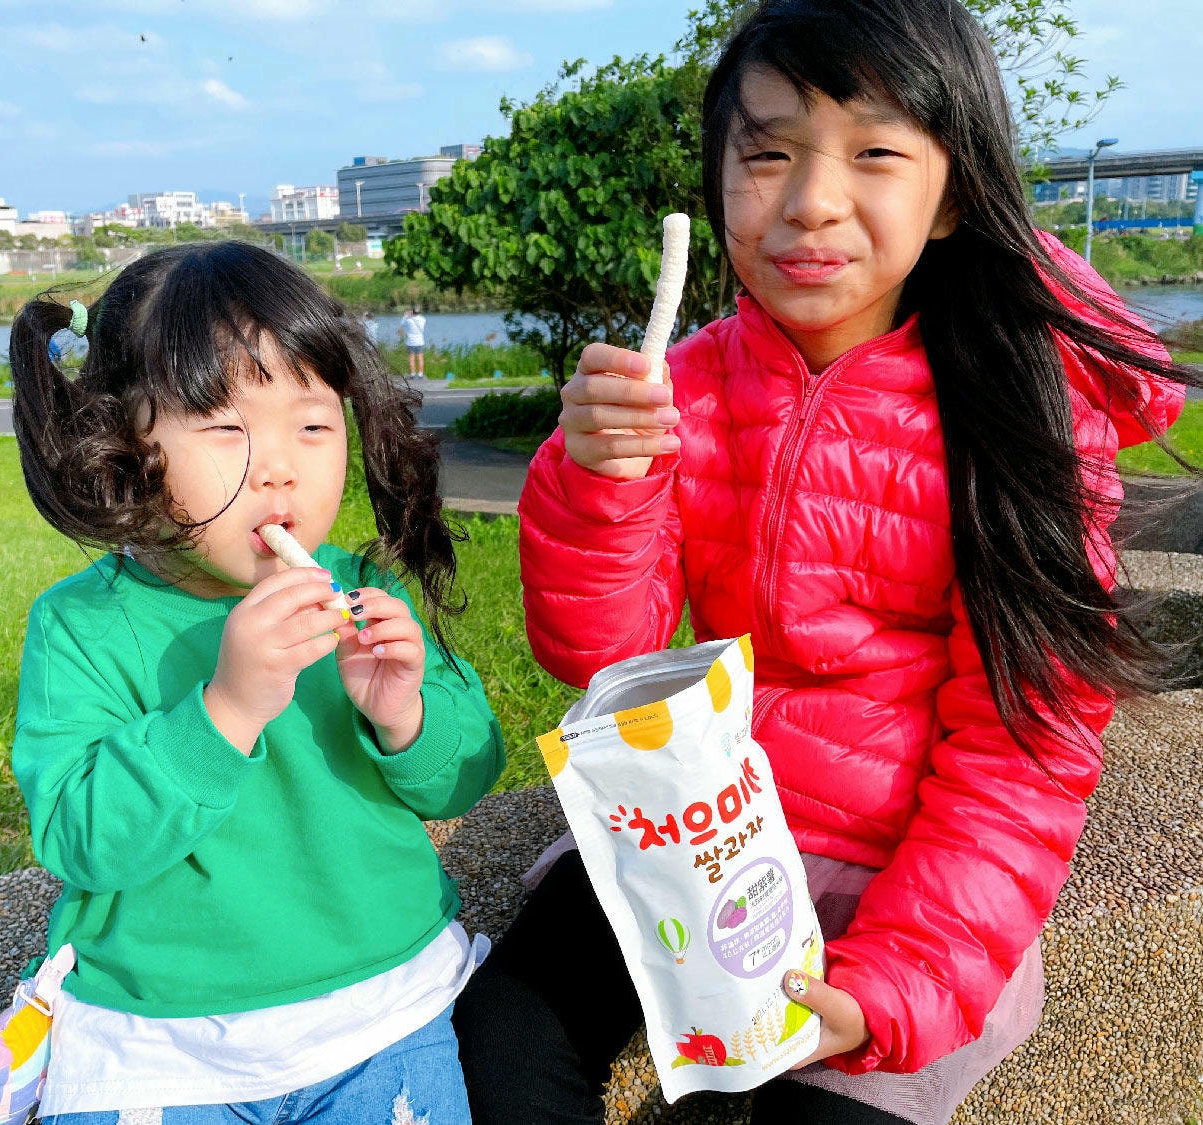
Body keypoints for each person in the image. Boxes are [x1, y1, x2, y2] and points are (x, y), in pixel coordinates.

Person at [455, 2, 1196, 1124]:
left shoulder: (1020, 411)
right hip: (697, 828)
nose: (810, 203)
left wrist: (896, 980)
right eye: (766, 153)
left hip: (909, 874)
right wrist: (601, 484)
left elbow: (1025, 747)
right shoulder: (685, 385)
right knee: (498, 1044)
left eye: (878, 153)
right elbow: (600, 657)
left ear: (956, 192)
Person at [5, 241, 506, 1124]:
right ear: (123, 440)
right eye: (226, 428)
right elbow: (79, 838)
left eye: (313, 426)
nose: (280, 466)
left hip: (379, 1008)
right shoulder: (81, 625)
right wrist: (224, 709)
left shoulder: (366, 589)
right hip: (157, 1039)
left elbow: (468, 771)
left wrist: (408, 715)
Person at [400, 304, 427, 377]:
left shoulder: (408, 320)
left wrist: (405, 316)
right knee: (420, 358)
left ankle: (412, 374)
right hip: (420, 341)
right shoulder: (423, 319)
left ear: (412, 312)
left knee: (411, 358)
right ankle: (420, 374)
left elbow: (402, 324)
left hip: (410, 342)